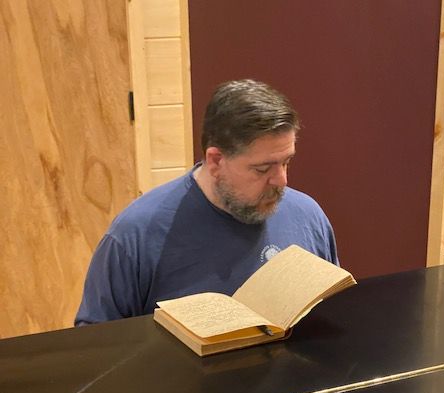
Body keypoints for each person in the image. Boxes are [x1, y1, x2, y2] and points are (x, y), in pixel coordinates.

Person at [75, 79, 338, 325]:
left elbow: (332, 318)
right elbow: (95, 343)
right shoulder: (136, 235)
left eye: (286, 162)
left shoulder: (307, 216)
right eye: (262, 169)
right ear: (215, 161)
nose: (281, 181)